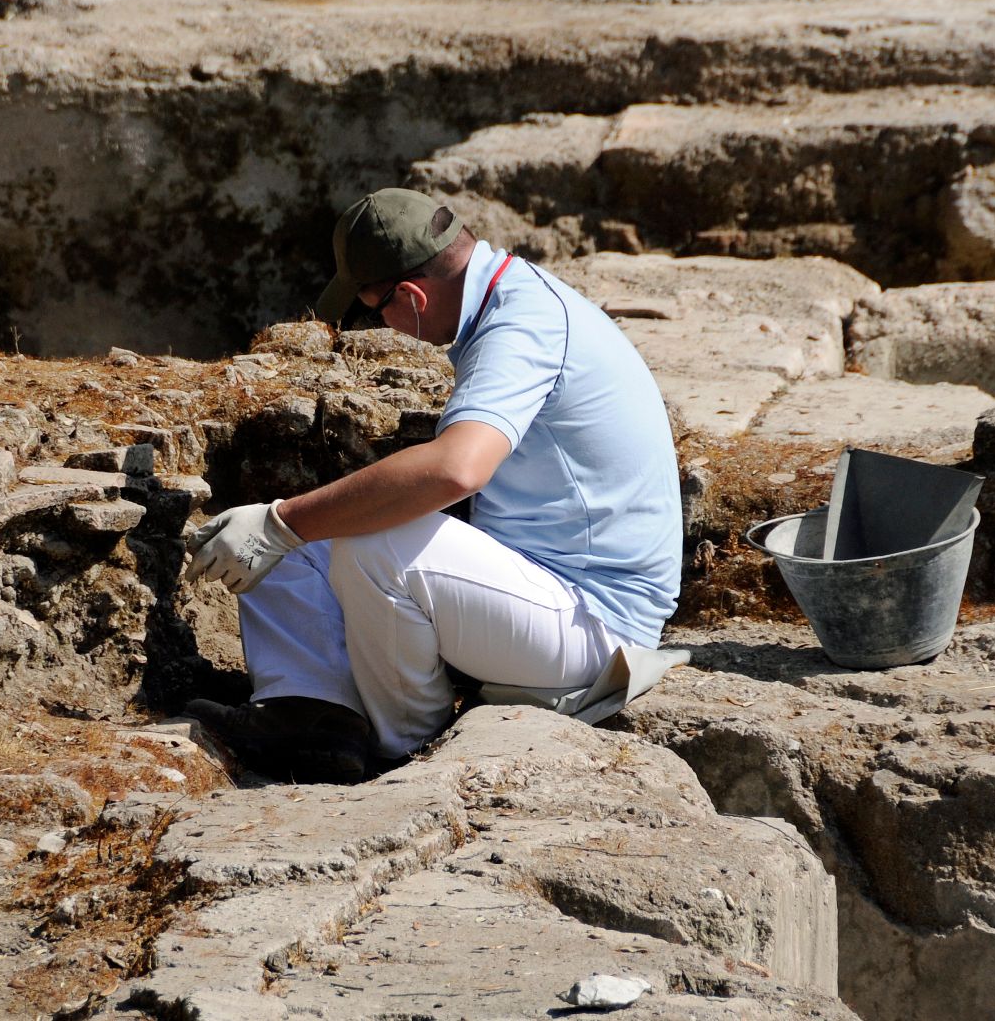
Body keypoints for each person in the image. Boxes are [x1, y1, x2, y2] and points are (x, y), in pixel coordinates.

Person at [182, 188, 682, 783]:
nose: (379, 325)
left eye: (374, 309)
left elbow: (456, 469)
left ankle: (405, 748)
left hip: (597, 624)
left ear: (412, 297)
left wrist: (282, 523)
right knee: (312, 526)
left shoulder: (522, 326)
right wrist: (284, 523)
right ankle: (315, 717)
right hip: (547, 590)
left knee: (367, 542)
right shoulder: (510, 300)